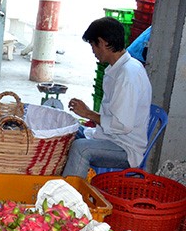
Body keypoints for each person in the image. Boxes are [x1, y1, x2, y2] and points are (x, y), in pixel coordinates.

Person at [62, 17, 152, 178]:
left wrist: (88, 113)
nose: (93, 51)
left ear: (102, 42)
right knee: (67, 130)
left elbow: (122, 126)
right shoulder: (119, 69)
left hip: (124, 148)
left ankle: (69, 199)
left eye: (92, 45)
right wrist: (88, 116)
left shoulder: (128, 75)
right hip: (108, 136)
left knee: (80, 149)